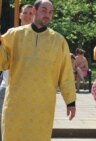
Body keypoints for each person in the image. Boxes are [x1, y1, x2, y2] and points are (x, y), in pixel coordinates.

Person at [0, 0, 76, 140]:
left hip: (43, 106)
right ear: (34, 11)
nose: (47, 14)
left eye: (50, 12)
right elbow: (2, 63)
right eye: (44, 10)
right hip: (16, 104)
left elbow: (66, 73)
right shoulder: (13, 35)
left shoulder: (58, 41)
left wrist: (70, 102)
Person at [0, 3, 34, 140]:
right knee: (4, 124)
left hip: (27, 89)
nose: (27, 16)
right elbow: (3, 62)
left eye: (30, 13)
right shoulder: (10, 34)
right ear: (19, 15)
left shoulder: (40, 38)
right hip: (7, 86)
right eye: (25, 13)